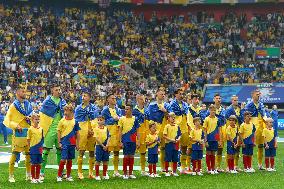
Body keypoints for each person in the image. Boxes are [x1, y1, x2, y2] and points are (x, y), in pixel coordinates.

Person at [4, 85, 33, 183]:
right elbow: (7, 120)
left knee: (28, 155)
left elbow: (32, 116)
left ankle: (28, 175)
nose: (25, 93)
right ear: (17, 93)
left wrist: (31, 118)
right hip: (18, 133)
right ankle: (11, 176)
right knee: (15, 154)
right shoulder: (13, 106)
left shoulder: (29, 104)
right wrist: (16, 126)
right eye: (22, 91)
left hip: (28, 132)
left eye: (25, 91)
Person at [39, 84, 66, 179]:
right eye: (56, 89)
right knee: (45, 151)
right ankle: (41, 172)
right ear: (52, 91)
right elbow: (42, 115)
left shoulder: (63, 101)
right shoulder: (47, 101)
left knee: (60, 151)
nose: (59, 91)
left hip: (61, 131)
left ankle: (61, 172)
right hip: (50, 129)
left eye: (59, 89)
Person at [75, 89, 99, 179]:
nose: (83, 97)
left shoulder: (94, 108)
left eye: (85, 96)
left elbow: (96, 119)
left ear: (89, 98)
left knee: (92, 151)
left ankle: (90, 173)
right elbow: (76, 121)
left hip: (92, 129)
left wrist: (93, 130)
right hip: (82, 130)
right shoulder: (78, 108)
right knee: (81, 151)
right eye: (82, 95)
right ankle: (79, 172)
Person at [147, 88, 171, 172]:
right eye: (161, 94)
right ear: (157, 94)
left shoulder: (167, 105)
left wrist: (165, 111)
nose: (163, 95)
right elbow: (149, 117)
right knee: (153, 147)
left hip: (164, 128)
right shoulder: (151, 105)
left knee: (163, 148)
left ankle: (163, 167)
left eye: (164, 94)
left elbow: (171, 117)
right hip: (155, 128)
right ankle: (152, 168)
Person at [244, 89, 267, 170]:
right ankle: (248, 166)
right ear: (252, 95)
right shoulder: (249, 105)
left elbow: (264, 115)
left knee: (261, 146)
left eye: (259, 94)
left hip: (261, 126)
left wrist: (267, 122)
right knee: (250, 146)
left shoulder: (261, 104)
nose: (258, 95)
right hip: (253, 127)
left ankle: (260, 165)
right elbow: (246, 117)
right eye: (257, 94)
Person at [57, 104, 80, 182]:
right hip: (64, 143)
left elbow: (77, 133)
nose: (65, 112)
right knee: (63, 159)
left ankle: (68, 176)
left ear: (71, 112)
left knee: (70, 160)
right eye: (64, 110)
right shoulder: (62, 121)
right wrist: (59, 142)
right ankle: (59, 176)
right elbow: (59, 132)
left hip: (72, 144)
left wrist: (77, 144)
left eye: (67, 111)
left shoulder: (75, 121)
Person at [101, 94, 123, 177]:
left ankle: (116, 171)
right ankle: (105, 172)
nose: (114, 99)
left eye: (115, 98)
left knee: (116, 152)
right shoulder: (105, 110)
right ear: (108, 100)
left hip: (117, 132)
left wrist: (119, 119)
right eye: (112, 98)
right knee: (107, 152)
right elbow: (103, 121)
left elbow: (121, 119)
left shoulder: (119, 109)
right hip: (109, 133)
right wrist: (113, 119)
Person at [169, 88, 189, 174]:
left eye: (182, 94)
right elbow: (170, 116)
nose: (181, 95)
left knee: (184, 148)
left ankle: (183, 168)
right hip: (175, 129)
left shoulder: (185, 104)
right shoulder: (172, 104)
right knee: (174, 148)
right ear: (176, 95)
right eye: (180, 94)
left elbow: (188, 116)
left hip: (184, 128)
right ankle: (172, 168)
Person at [118, 104, 140, 180]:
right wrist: (120, 141)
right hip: (125, 140)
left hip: (133, 140)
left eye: (127, 109)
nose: (125, 110)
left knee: (131, 156)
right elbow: (120, 131)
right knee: (126, 156)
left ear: (131, 110)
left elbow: (138, 131)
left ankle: (130, 173)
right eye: (125, 109)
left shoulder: (135, 119)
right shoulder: (121, 119)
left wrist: (138, 141)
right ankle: (124, 173)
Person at [225, 96, 245, 171]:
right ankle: (228, 166)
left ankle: (235, 165)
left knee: (237, 149)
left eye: (237, 100)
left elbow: (242, 119)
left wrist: (242, 110)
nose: (236, 101)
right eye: (234, 100)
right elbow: (227, 121)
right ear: (231, 101)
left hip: (238, 130)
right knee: (230, 150)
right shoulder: (229, 110)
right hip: (231, 131)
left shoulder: (240, 108)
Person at [132, 94, 149, 176]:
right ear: (137, 100)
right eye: (142, 99)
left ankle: (143, 170)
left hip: (145, 134)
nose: (144, 101)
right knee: (131, 153)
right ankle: (129, 170)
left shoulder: (146, 110)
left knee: (143, 153)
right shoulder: (134, 111)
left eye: (144, 99)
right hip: (136, 134)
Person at [203, 104, 222, 175]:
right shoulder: (206, 119)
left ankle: (213, 168)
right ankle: (209, 168)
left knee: (213, 153)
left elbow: (219, 130)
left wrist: (219, 140)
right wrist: (205, 140)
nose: (213, 112)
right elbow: (204, 130)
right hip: (209, 139)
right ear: (209, 111)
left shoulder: (218, 119)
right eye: (212, 110)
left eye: (214, 110)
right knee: (208, 153)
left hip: (215, 139)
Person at [211, 93, 226, 172]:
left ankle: (218, 166)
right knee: (212, 149)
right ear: (214, 99)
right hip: (213, 130)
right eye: (217, 98)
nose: (218, 100)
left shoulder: (223, 109)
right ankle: (211, 167)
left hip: (221, 130)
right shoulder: (211, 109)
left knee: (220, 148)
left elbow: (223, 120)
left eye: (219, 98)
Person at [27, 113, 44, 184]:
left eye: (38, 119)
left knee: (39, 163)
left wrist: (42, 146)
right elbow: (28, 139)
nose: (37, 120)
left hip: (39, 148)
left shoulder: (41, 129)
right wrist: (29, 148)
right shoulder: (30, 129)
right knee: (33, 163)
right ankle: (33, 178)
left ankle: (37, 178)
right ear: (32, 120)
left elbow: (42, 138)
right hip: (33, 148)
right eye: (36, 119)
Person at [187, 94, 201, 173]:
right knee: (190, 149)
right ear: (191, 100)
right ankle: (188, 166)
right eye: (195, 99)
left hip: (199, 132)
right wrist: (193, 131)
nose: (197, 100)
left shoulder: (200, 109)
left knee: (198, 149)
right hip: (192, 132)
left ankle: (196, 166)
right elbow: (189, 122)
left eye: (197, 98)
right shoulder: (189, 109)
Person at [163, 112, 181, 177]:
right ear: (168, 118)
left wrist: (178, 139)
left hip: (176, 144)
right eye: (171, 117)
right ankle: (167, 171)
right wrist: (171, 140)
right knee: (168, 158)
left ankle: (174, 171)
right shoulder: (167, 126)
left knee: (175, 158)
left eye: (174, 117)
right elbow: (164, 136)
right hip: (169, 144)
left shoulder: (177, 126)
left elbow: (179, 135)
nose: (173, 118)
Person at [94, 115, 110, 180]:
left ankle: (104, 174)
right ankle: (97, 175)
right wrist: (102, 146)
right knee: (98, 160)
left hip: (106, 146)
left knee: (105, 160)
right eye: (98, 120)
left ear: (104, 121)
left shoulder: (106, 128)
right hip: (99, 146)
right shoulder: (95, 129)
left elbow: (109, 136)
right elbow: (96, 138)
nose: (99, 121)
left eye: (101, 120)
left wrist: (107, 145)